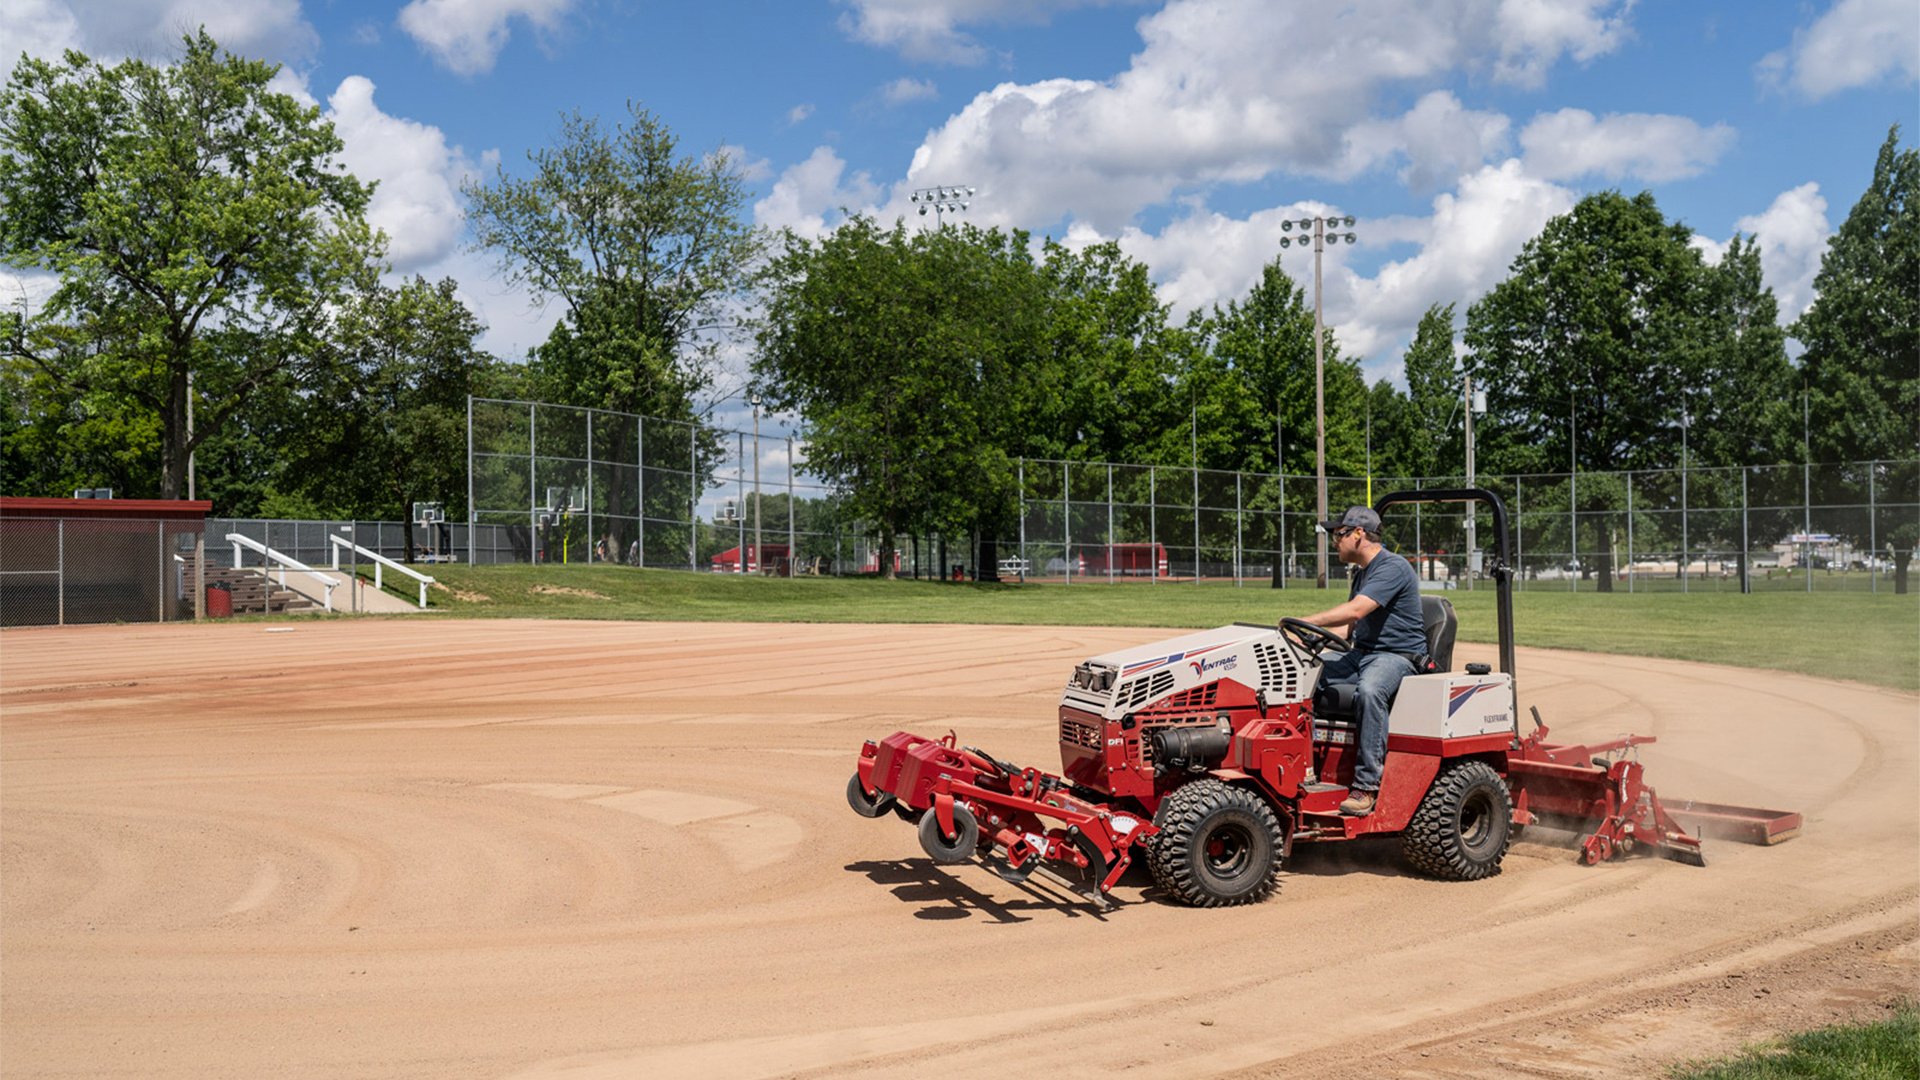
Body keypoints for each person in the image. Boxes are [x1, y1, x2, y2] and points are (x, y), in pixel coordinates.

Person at [1299, 506, 1428, 817]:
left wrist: (1305, 620)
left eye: (1338, 534)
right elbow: (1352, 627)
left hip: (1397, 656)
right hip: (1362, 653)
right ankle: (1305, 770)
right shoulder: (1362, 574)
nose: (1334, 542)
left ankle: (1366, 786)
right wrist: (1309, 638)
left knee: (1369, 692)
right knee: (1302, 677)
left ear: (1359, 534)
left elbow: (1356, 611)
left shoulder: (1392, 567)